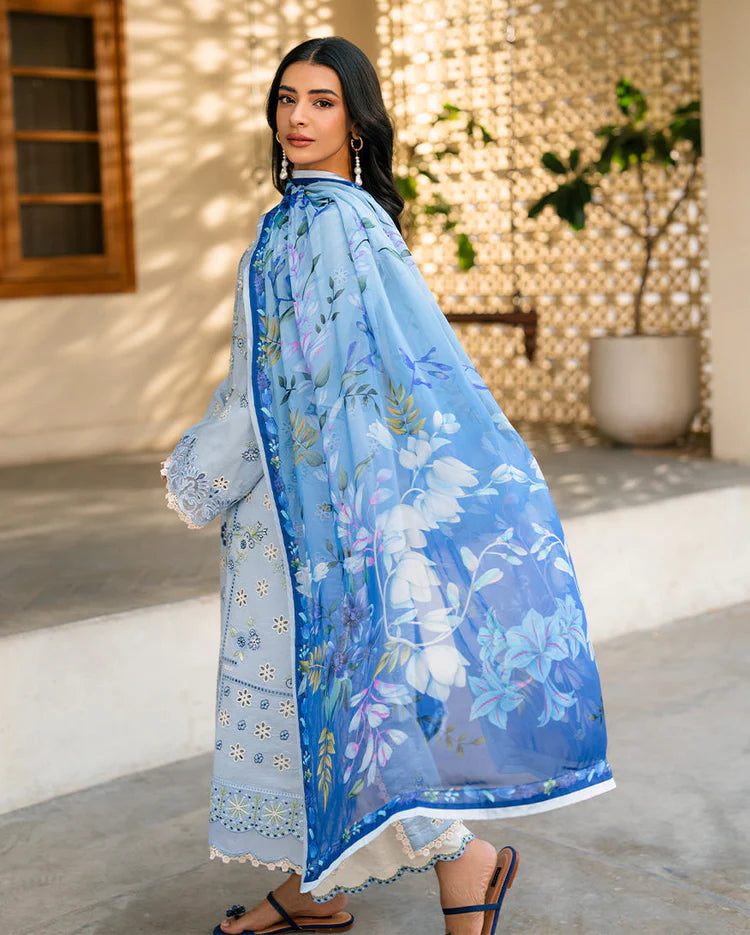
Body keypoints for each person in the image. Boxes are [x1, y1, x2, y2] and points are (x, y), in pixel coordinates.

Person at [161, 36, 614, 935]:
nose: (297, 117)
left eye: (322, 101)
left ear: (357, 121)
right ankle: (316, 888)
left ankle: (465, 864)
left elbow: (297, 381)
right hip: (299, 501)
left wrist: (200, 472)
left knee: (356, 694)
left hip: (316, 510)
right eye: (287, 98)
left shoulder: (329, 222)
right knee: (327, 698)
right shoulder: (312, 218)